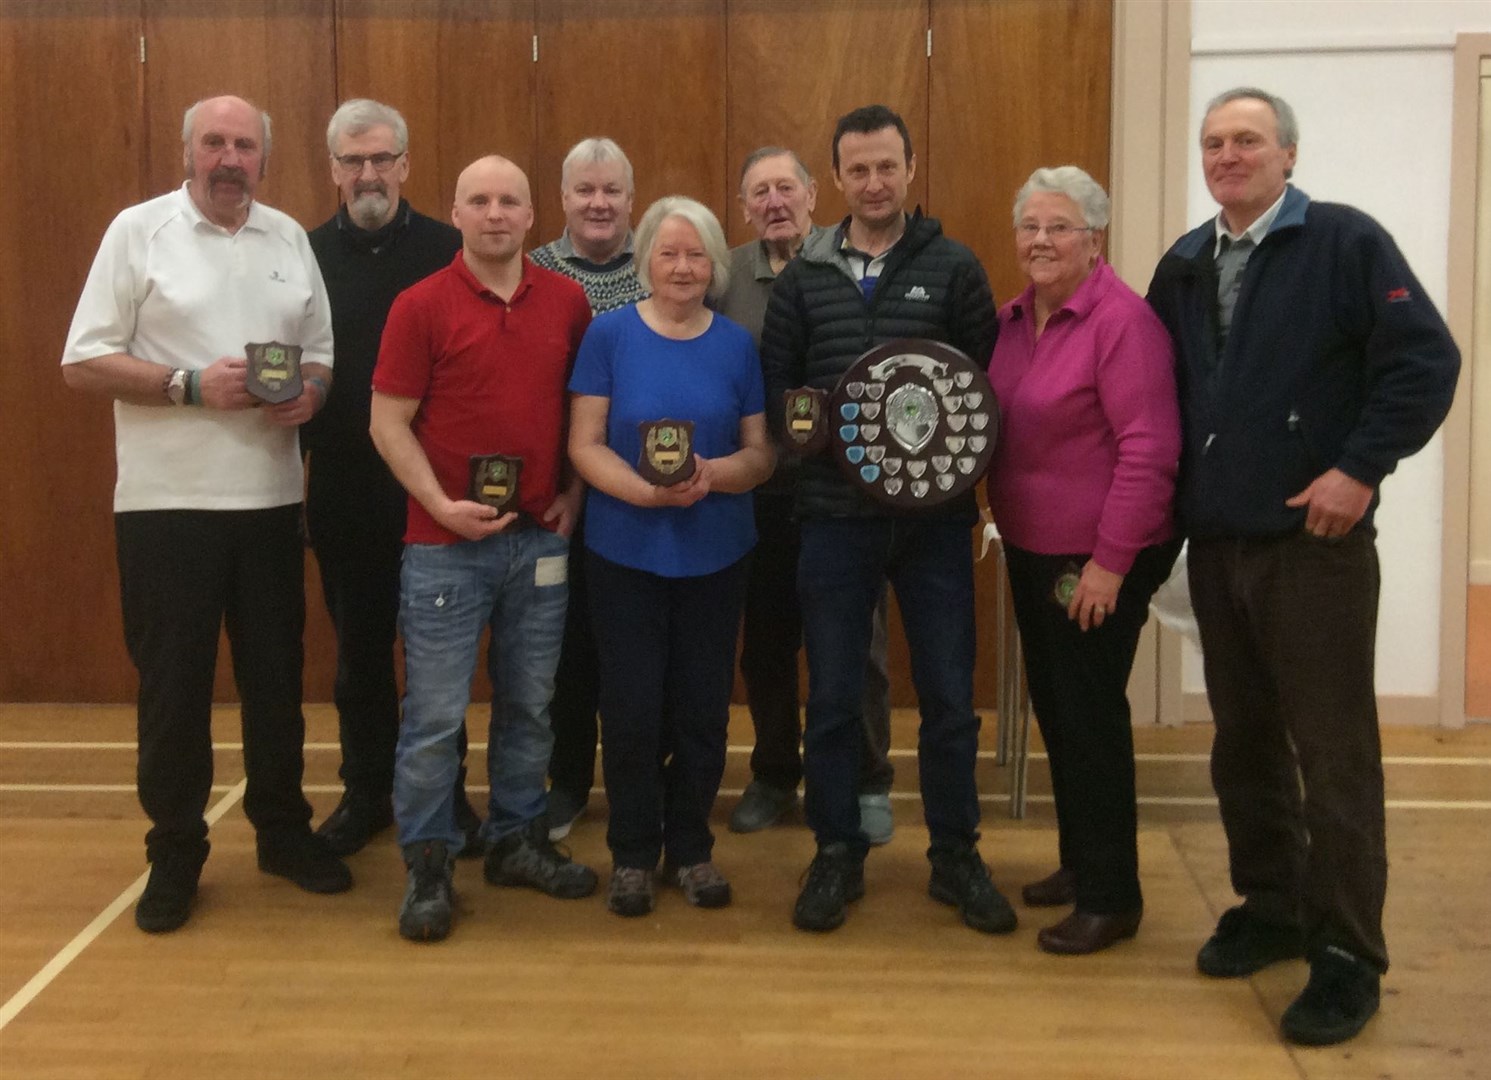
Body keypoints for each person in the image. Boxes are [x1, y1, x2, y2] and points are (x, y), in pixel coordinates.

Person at [1147, 87, 1459, 1044]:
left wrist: (1357, 468)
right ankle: (1271, 907)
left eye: (1247, 140)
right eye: (1213, 143)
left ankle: (1345, 955)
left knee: (1333, 759)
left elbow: (1424, 362)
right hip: (1218, 545)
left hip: (1312, 554)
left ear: (1288, 153)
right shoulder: (1186, 264)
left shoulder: (1343, 243)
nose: (1227, 155)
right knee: (1241, 742)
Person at [61, 94, 350, 934]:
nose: (231, 158)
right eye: (215, 143)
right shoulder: (136, 231)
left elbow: (323, 356)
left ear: (266, 157)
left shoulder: (289, 238)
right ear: (188, 151)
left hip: (269, 502)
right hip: (165, 508)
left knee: (275, 682)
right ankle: (176, 852)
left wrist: (311, 396)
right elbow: (82, 363)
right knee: (174, 689)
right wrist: (187, 385)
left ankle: (283, 833)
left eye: (246, 145)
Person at [760, 104, 1006, 935]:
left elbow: (980, 390)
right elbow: (780, 395)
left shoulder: (956, 268)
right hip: (831, 519)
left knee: (945, 697)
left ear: (909, 168)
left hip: (934, 523)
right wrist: (818, 445)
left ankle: (955, 856)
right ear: (836, 179)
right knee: (831, 694)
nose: (873, 183)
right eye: (857, 170)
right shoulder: (802, 279)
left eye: (886, 167)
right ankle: (835, 852)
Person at [370, 155, 599, 943]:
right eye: (479, 200)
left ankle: (514, 839)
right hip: (443, 546)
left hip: (539, 540)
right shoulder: (419, 306)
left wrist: (571, 491)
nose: (494, 213)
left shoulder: (568, 303)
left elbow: (583, 413)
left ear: (533, 215)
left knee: (530, 705)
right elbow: (386, 422)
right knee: (434, 714)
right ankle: (429, 862)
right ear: (456, 213)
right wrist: (438, 504)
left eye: (509, 200)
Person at [984, 166, 1181, 955]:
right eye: (1029, 225)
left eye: (1059, 226)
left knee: (1090, 717)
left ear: (1093, 238)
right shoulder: (1010, 320)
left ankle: (1111, 896)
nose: (1040, 240)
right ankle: (1081, 860)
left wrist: (1108, 565)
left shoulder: (1121, 322)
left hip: (1096, 556)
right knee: (1059, 712)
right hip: (1033, 549)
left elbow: (1149, 449)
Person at [569, 196, 773, 917]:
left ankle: (690, 848)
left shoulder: (736, 345)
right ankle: (631, 852)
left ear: (714, 266)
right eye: (668, 253)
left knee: (699, 711)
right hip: (623, 550)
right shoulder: (608, 337)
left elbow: (760, 455)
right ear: (644, 261)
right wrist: (642, 494)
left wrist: (712, 475)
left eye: (696, 255)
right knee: (628, 709)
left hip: (716, 554)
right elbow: (584, 444)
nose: (682, 267)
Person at [303, 98, 483, 859]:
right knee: (361, 661)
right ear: (333, 168)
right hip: (344, 490)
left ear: (406, 166)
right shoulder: (301, 254)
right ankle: (366, 792)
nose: (368, 173)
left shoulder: (453, 251)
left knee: (440, 664)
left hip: (434, 493)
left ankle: (444, 796)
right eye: (353, 160)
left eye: (382, 159)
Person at [717, 146, 896, 842]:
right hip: (757, 493)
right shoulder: (722, 275)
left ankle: (866, 775)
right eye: (757, 192)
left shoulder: (851, 263)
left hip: (845, 492)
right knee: (765, 645)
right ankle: (772, 772)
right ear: (742, 208)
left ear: (814, 194)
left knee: (857, 645)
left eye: (784, 187)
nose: (773, 202)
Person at [530, 137, 650, 840]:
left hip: (650, 493)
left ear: (631, 199)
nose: (599, 203)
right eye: (585, 190)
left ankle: (646, 782)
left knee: (637, 651)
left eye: (611, 190)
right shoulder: (533, 272)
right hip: (562, 498)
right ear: (564, 198)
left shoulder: (666, 264)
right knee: (568, 650)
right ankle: (567, 780)